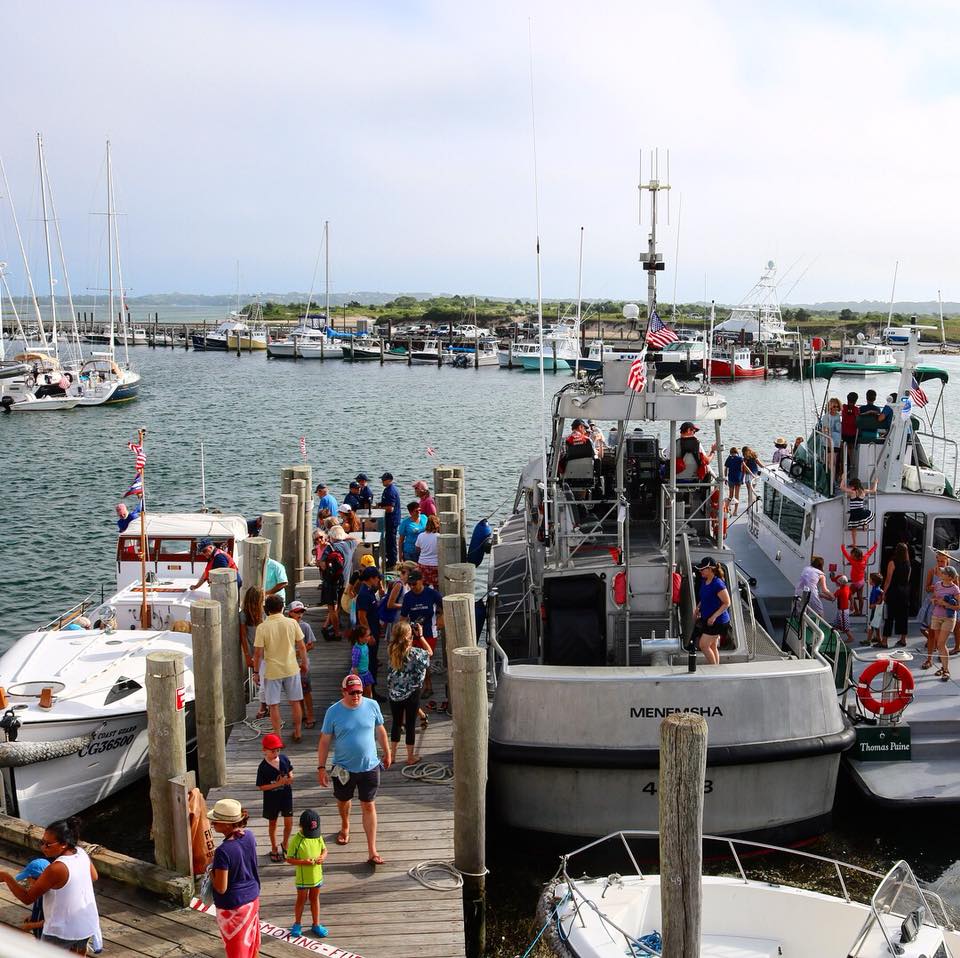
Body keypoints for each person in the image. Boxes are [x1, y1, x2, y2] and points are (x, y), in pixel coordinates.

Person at [317, 674, 392, 865]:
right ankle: (345, 825)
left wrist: (387, 752)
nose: (356, 696)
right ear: (343, 692)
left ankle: (372, 851)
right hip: (343, 768)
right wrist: (321, 767)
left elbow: (380, 730)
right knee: (343, 801)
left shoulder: (372, 705)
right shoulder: (333, 711)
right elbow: (324, 741)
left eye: (359, 692)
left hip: (370, 766)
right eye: (352, 693)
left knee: (368, 804)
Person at [0, 816, 99, 954]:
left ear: (64, 844)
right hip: (86, 923)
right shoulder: (81, 853)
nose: (43, 847)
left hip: (62, 931)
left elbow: (27, 898)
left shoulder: (56, 868)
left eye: (48, 844)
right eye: (42, 842)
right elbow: (94, 877)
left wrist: (6, 877)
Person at [209, 799, 261, 958]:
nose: (212, 824)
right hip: (252, 899)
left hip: (233, 908)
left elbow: (221, 888)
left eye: (215, 821)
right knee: (251, 944)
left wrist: (210, 870)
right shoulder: (249, 836)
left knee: (236, 952)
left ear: (227, 825)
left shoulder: (223, 851)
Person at [254, 594, 308, 742]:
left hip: (272, 671)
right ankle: (298, 732)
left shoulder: (262, 627)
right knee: (295, 702)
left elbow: (258, 654)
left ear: (267, 610)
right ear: (282, 608)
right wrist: (304, 663)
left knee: (273, 705)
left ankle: (278, 737)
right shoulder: (292, 623)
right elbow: (302, 647)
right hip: (291, 668)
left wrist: (256, 672)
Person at [387, 622, 432, 766]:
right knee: (410, 724)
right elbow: (429, 653)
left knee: (396, 723)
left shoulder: (391, 649)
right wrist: (421, 636)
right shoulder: (415, 653)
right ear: (409, 636)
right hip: (411, 693)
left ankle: (392, 755)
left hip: (394, 693)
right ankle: (410, 757)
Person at [285, 809, 328, 939]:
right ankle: (297, 923)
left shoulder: (317, 836)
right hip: (303, 878)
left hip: (317, 876)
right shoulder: (296, 840)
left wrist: (322, 857)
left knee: (315, 898)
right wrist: (303, 862)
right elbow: (289, 859)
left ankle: (316, 924)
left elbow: (325, 850)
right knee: (301, 900)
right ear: (301, 826)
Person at [256, 732, 294, 863]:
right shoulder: (263, 767)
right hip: (271, 799)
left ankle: (285, 843)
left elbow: (290, 770)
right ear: (264, 750)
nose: (276, 753)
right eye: (273, 751)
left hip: (286, 796)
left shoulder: (283, 759)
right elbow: (261, 786)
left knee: (289, 822)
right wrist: (278, 784)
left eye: (278, 750)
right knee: (273, 823)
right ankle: (274, 847)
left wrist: (291, 777)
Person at [693, 557, 730, 665]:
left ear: (710, 569)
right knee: (713, 646)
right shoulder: (704, 581)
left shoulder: (718, 584)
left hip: (718, 622)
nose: (700, 571)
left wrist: (714, 617)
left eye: (702, 569)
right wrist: (698, 607)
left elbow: (727, 603)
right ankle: (716, 667)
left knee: (703, 645)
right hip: (708, 619)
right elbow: (704, 597)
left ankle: (713, 669)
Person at [399, 569, 444, 654]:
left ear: (421, 581)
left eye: (414, 584)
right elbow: (403, 617)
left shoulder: (432, 593)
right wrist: (400, 634)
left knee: (427, 657)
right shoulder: (407, 597)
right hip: (413, 634)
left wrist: (442, 617)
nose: (412, 587)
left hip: (430, 633)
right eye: (409, 584)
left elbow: (446, 606)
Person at [287, 601, 316, 727]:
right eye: (297, 612)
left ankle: (310, 715)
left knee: (306, 690)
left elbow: (311, 645)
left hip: (302, 663)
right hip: (289, 664)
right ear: (290, 613)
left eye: (301, 612)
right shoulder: (286, 626)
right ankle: (302, 713)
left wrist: (297, 653)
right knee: (295, 690)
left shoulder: (305, 626)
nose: (300, 614)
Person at [929, 565, 960, 681]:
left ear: (950, 577)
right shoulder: (937, 585)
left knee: (941, 644)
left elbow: (958, 607)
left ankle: (946, 670)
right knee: (939, 644)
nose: (941, 574)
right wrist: (934, 601)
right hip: (936, 616)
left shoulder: (955, 589)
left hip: (948, 618)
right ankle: (943, 667)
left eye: (943, 573)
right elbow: (933, 597)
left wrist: (946, 604)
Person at [355, 567, 384, 687]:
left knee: (373, 660)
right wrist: (369, 635)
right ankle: (370, 689)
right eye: (377, 578)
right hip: (368, 633)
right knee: (369, 661)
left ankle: (372, 687)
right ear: (371, 578)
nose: (378, 580)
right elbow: (362, 616)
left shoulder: (370, 591)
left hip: (374, 628)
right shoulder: (364, 594)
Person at [241, 587, 267, 719]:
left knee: (264, 680)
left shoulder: (263, 613)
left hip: (266, 651)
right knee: (261, 680)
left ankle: (264, 706)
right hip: (255, 652)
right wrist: (247, 655)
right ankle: (264, 706)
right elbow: (243, 636)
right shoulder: (243, 615)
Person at [881, 542, 912, 649]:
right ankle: (903, 639)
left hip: (894, 591)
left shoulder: (892, 562)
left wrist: (883, 592)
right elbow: (908, 579)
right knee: (903, 616)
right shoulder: (908, 563)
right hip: (905, 592)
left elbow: (888, 580)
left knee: (889, 617)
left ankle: (884, 641)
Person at [317, 535, 347, 641]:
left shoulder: (329, 548)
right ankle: (326, 627)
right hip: (340, 581)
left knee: (332, 609)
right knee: (336, 608)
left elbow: (322, 564)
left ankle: (336, 633)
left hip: (330, 583)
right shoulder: (346, 546)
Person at [15, 856, 49, 939]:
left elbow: (53, 921)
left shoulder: (49, 896)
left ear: (37, 879)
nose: (27, 881)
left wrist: (31, 926)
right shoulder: (39, 892)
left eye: (28, 879)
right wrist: (33, 916)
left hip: (47, 938)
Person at [839, 475, 877, 547]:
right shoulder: (863, 491)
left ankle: (854, 543)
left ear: (854, 486)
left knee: (854, 529)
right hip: (861, 511)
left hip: (854, 513)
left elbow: (841, 487)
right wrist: (875, 482)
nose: (850, 487)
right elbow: (873, 490)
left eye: (851, 486)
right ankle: (865, 525)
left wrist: (843, 479)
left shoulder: (852, 492)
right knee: (865, 516)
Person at [841, 542, 877, 616]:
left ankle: (856, 610)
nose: (851, 556)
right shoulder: (864, 558)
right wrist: (875, 546)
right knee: (860, 597)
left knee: (849, 594)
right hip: (861, 582)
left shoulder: (853, 562)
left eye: (852, 556)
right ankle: (860, 611)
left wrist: (842, 548)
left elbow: (846, 555)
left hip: (855, 582)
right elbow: (870, 552)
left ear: (856, 557)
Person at [378, 472, 402, 569]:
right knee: (389, 539)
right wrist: (380, 504)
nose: (382, 481)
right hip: (391, 519)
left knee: (391, 541)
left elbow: (390, 508)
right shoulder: (388, 489)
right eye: (382, 479)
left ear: (390, 480)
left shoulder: (390, 491)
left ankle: (392, 562)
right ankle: (390, 559)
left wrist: (380, 508)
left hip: (392, 520)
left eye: (384, 480)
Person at [414, 514, 441, 587]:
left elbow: (417, 548)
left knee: (423, 587)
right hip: (435, 565)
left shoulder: (421, 535)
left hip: (422, 564)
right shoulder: (439, 537)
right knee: (436, 587)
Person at [349, 624, 375, 696]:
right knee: (360, 695)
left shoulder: (364, 644)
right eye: (368, 636)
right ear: (360, 638)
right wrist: (357, 680)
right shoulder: (357, 650)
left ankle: (370, 702)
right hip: (359, 675)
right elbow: (354, 667)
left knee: (369, 693)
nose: (369, 637)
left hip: (365, 673)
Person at [820, 397, 843, 477]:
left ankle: (831, 479)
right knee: (831, 462)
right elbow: (825, 430)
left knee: (834, 462)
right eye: (834, 406)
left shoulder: (838, 416)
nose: (836, 408)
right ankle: (830, 480)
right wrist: (830, 444)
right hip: (829, 442)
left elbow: (839, 429)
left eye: (837, 406)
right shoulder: (826, 417)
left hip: (836, 442)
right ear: (830, 407)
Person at [840, 392, 859, 476]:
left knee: (843, 449)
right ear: (855, 401)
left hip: (844, 433)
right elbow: (858, 419)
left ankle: (842, 469)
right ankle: (851, 466)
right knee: (851, 450)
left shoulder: (843, 407)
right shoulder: (856, 409)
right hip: (852, 434)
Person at [831, 574, 854, 644]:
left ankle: (850, 637)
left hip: (842, 611)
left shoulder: (839, 591)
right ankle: (834, 636)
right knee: (836, 624)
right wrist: (852, 604)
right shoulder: (847, 588)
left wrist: (823, 595)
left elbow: (832, 598)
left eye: (836, 582)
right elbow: (851, 596)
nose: (835, 583)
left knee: (844, 626)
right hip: (843, 610)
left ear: (840, 583)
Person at [865, 572, 885, 646]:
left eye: (870, 579)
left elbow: (880, 600)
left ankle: (868, 640)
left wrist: (874, 605)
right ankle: (878, 639)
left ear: (874, 582)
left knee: (871, 625)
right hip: (875, 610)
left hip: (876, 610)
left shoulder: (877, 590)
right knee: (875, 625)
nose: (869, 580)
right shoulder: (875, 588)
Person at [724, 446, 744, 515]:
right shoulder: (740, 459)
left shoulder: (729, 458)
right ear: (736, 452)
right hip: (738, 478)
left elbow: (726, 469)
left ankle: (726, 508)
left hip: (730, 478)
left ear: (730, 452)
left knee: (730, 495)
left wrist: (725, 477)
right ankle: (735, 511)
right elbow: (743, 468)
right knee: (736, 495)